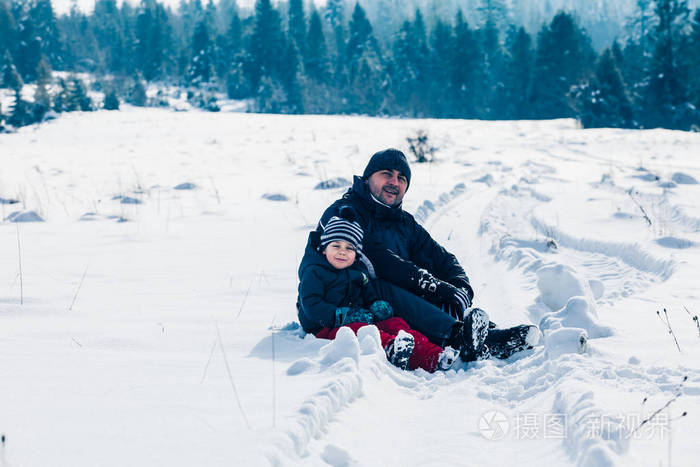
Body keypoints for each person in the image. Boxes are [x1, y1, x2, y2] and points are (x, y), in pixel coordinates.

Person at [306, 148, 539, 361]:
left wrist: (459, 286)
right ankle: (458, 337)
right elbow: (378, 260)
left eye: (401, 178)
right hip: (341, 305)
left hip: (378, 302)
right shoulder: (345, 211)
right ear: (368, 178)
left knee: (424, 286)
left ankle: (483, 334)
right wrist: (434, 286)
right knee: (393, 285)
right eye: (387, 174)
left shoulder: (403, 222)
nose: (394, 182)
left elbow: (440, 257)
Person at [297, 208, 470, 372]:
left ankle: (433, 356)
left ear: (356, 254)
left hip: (360, 318)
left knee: (396, 323)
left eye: (349, 248)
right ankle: (392, 349)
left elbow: (368, 292)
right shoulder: (315, 272)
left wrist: (376, 305)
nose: (342, 252)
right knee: (361, 331)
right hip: (326, 328)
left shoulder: (357, 272)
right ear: (324, 248)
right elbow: (311, 305)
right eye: (336, 246)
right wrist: (342, 316)